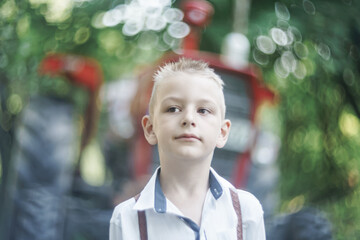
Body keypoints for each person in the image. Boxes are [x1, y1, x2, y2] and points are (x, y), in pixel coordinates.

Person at [109, 58, 265, 240]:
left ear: (222, 132)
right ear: (150, 129)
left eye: (204, 110)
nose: (189, 118)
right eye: (173, 109)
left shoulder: (246, 212)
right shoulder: (126, 218)